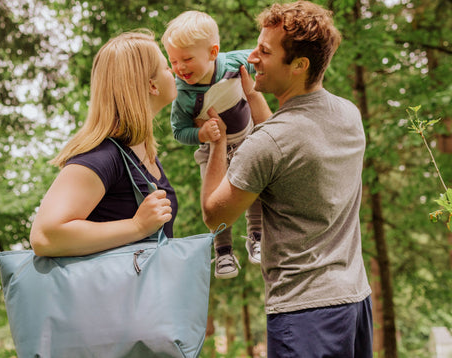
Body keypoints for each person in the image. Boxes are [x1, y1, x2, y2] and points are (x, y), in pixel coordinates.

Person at [200, 2, 373, 357]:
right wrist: (252, 95)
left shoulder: (269, 144)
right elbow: (288, 140)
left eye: (265, 51)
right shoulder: (348, 116)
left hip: (303, 314)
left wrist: (217, 144)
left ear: (299, 65)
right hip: (355, 302)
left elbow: (215, 216)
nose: (252, 56)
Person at [30, 30, 178, 257]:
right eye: (167, 67)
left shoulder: (143, 155)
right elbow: (45, 235)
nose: (175, 71)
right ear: (152, 86)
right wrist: (136, 226)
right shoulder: (102, 156)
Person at [161, 10, 272, 279]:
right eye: (173, 61)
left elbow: (260, 57)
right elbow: (178, 131)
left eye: (187, 59)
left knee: (256, 187)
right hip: (212, 151)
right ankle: (223, 251)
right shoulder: (184, 96)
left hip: (246, 138)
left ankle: (257, 236)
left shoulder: (233, 63)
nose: (180, 68)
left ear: (213, 52)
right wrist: (201, 135)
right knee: (218, 199)